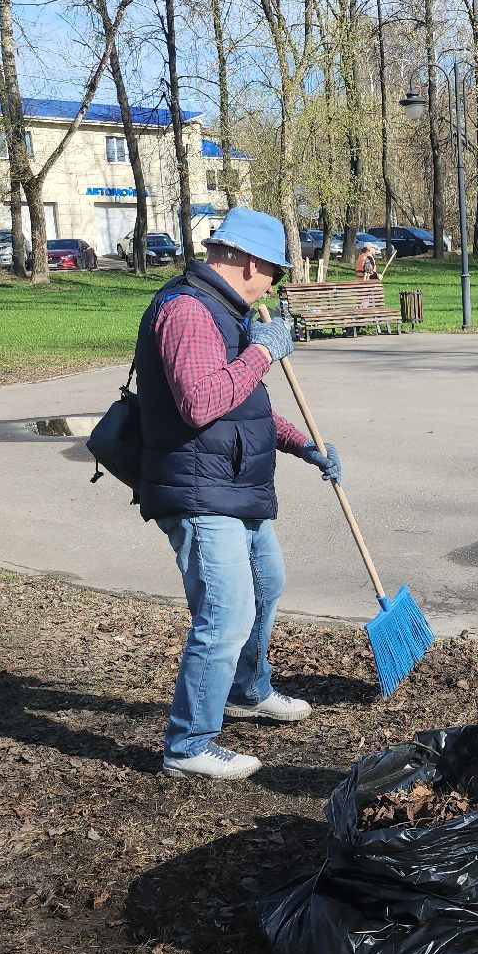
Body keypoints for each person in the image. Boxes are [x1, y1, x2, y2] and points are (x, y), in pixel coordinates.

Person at [135, 206, 343, 779]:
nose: (274, 284)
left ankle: (248, 690)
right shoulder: (188, 313)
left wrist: (304, 446)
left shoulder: (226, 313)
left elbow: (244, 409)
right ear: (252, 263)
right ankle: (189, 744)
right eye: (275, 271)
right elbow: (201, 402)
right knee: (224, 615)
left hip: (235, 486)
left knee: (266, 585)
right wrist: (263, 352)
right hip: (200, 492)